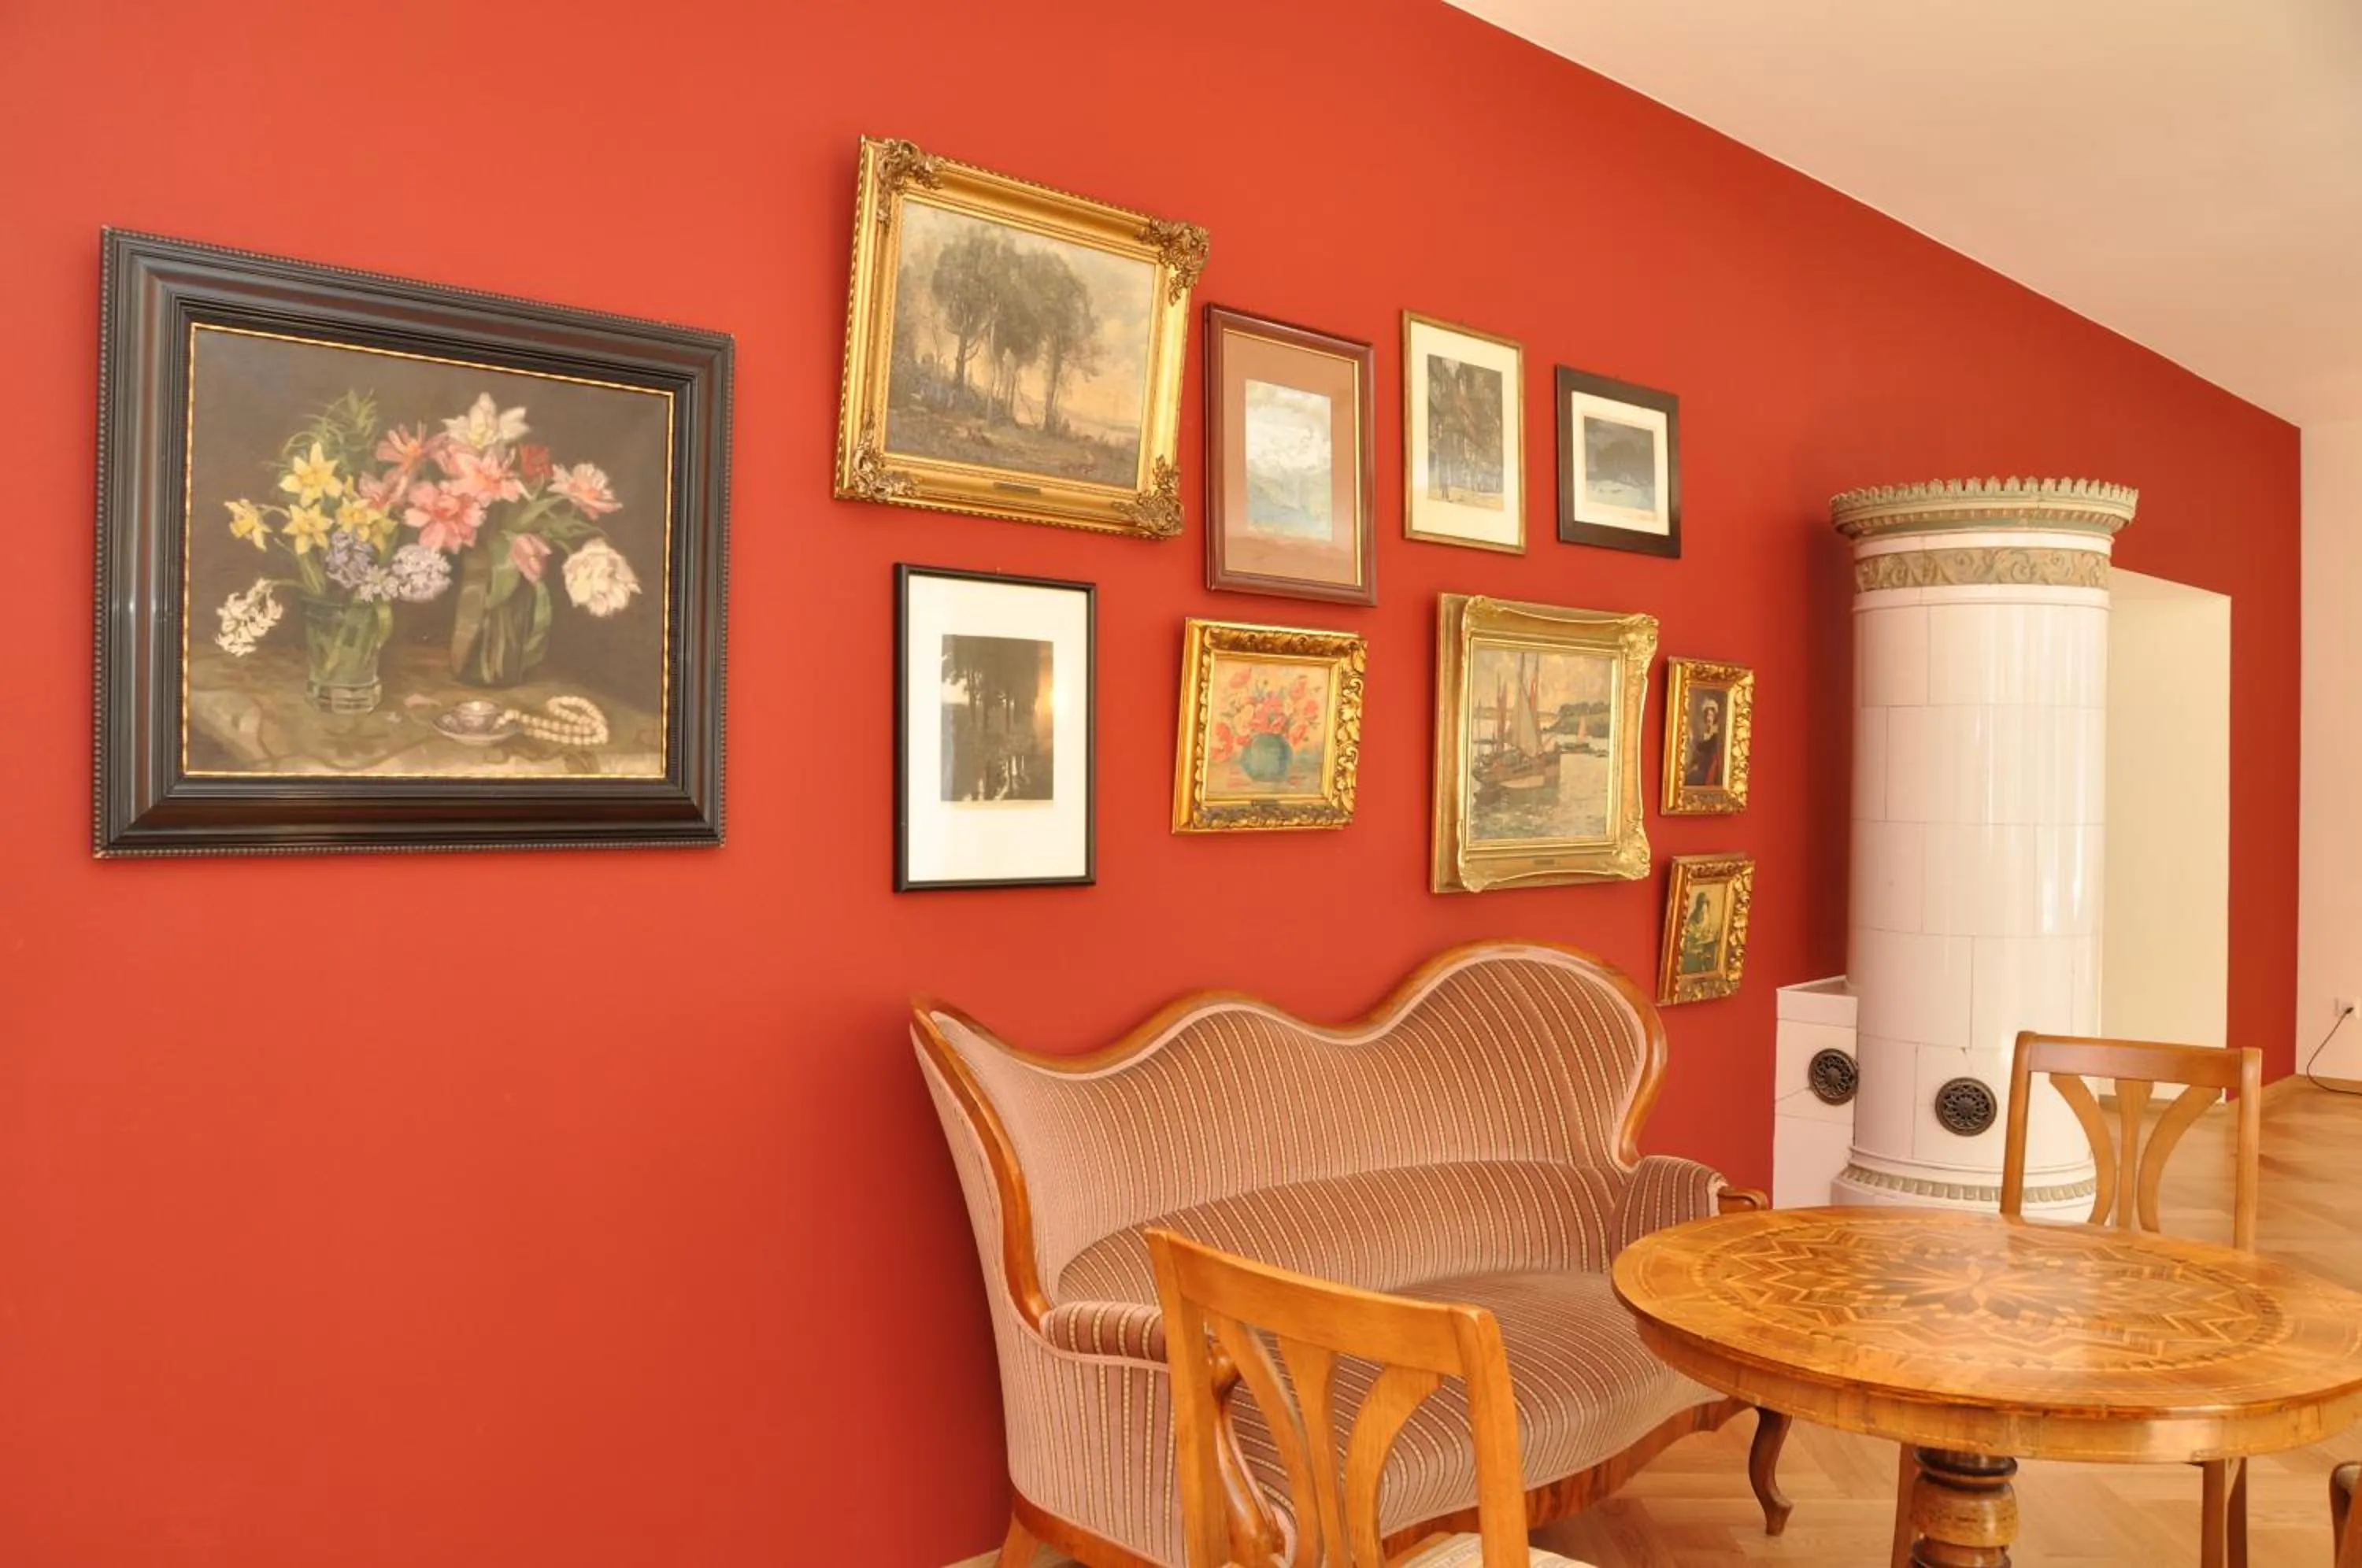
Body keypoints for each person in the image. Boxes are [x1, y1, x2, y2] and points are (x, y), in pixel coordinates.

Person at [1683, 694, 1724, 787]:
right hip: (1703, 765)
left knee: (1691, 779)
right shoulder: (1705, 733)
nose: (1708, 718)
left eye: (1711, 715)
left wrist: (1692, 740)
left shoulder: (1716, 733)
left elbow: (1705, 751)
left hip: (1710, 767)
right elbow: (1699, 753)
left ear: (1714, 717)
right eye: (1707, 715)